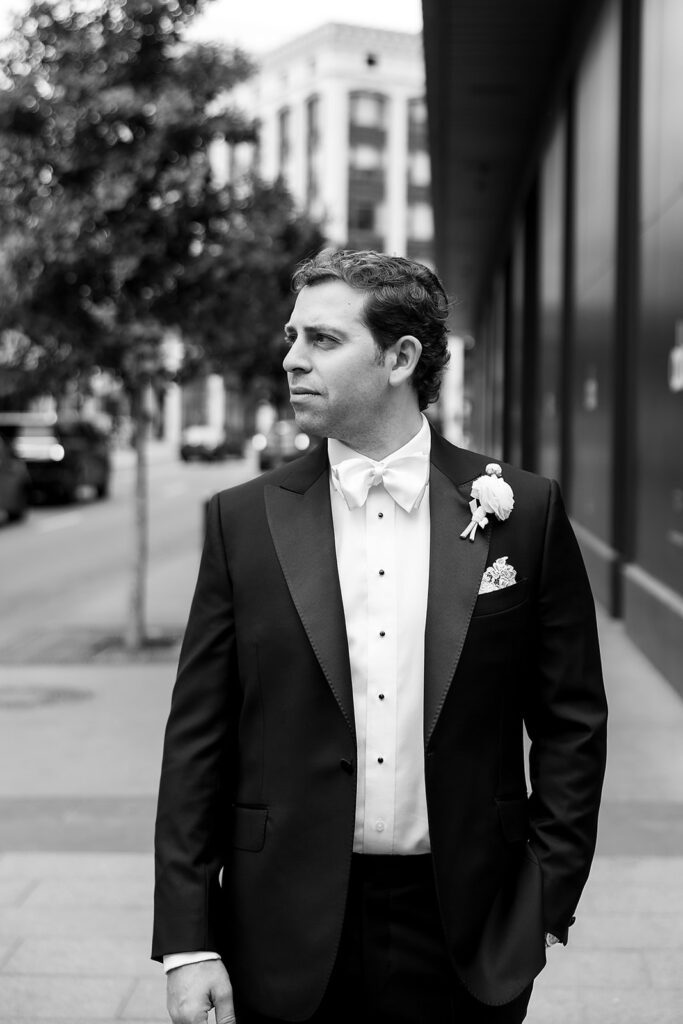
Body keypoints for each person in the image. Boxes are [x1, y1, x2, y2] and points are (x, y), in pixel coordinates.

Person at [153, 250, 607, 1024]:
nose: (290, 358)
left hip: (469, 929)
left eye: (322, 340)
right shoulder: (241, 521)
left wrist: (542, 901)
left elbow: (571, 723)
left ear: (400, 358)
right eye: (293, 336)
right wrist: (189, 941)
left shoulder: (520, 512)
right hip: (281, 926)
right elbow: (198, 739)